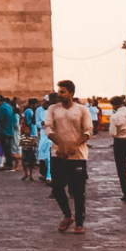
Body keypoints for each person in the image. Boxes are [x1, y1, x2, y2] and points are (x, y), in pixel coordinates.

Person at [45, 79, 92, 234]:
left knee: (78, 190)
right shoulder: (53, 109)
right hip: (58, 154)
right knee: (57, 187)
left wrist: (74, 145)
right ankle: (67, 215)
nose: (59, 94)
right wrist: (61, 144)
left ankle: (79, 223)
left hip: (78, 155)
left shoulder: (82, 110)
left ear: (71, 93)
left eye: (63, 92)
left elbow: (88, 131)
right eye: (59, 91)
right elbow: (48, 128)